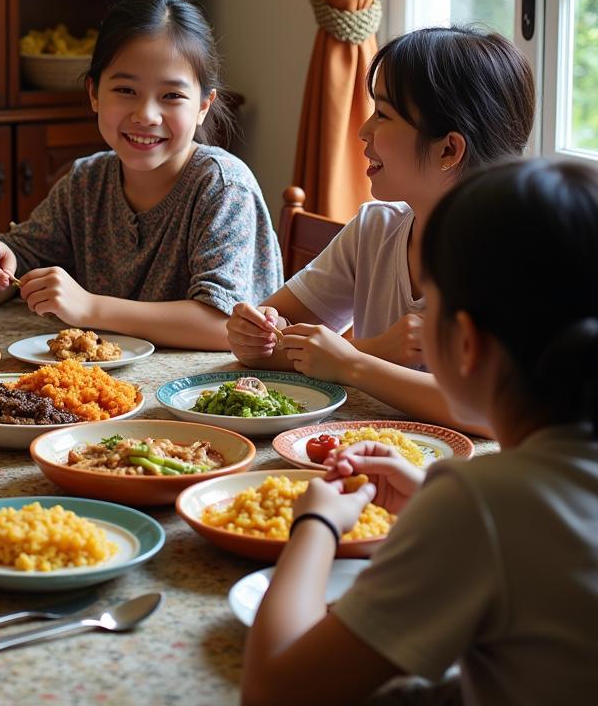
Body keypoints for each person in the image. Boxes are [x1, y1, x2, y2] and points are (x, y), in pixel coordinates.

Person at [241, 158, 598, 706]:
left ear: (465, 343)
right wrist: (435, 501)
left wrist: (315, 525)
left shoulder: (481, 503)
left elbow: (274, 692)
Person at [227, 26, 534, 427]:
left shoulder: (518, 256)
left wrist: (355, 363)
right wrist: (256, 334)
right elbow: (266, 348)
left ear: (448, 149)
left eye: (384, 114)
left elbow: (491, 411)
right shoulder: (375, 230)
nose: (363, 130)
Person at [0, 0, 282, 350]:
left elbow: (222, 325)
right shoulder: (85, 182)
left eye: (172, 96)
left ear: (204, 105)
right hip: (101, 394)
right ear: (94, 94)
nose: (146, 115)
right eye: (126, 90)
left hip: (199, 396)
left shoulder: (222, 187)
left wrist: (91, 307)